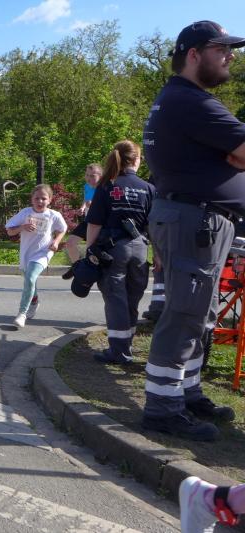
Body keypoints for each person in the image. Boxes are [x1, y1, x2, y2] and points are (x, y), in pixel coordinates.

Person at [141, 20, 245, 442]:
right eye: (222, 49)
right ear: (194, 54)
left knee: (198, 314)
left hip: (197, 218)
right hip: (195, 221)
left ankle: (186, 392)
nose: (231, 56)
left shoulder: (179, 99)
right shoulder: (192, 102)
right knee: (185, 314)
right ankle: (162, 409)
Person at [84, 141, 155, 364]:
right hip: (141, 249)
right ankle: (127, 345)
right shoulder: (148, 188)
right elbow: (155, 226)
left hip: (113, 250)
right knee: (132, 299)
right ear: (136, 160)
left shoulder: (107, 186)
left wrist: (89, 251)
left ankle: (119, 352)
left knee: (116, 300)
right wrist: (159, 255)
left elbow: (94, 223)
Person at [5, 184, 67, 329]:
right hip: (27, 253)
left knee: (31, 278)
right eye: (37, 198)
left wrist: (56, 242)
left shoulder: (54, 215)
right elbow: (10, 231)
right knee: (29, 280)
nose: (40, 201)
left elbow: (62, 229)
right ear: (31, 199)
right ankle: (34, 301)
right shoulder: (25, 213)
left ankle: (22, 314)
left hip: (43, 252)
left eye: (43, 198)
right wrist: (22, 227)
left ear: (50, 200)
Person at [62, 164, 101, 279]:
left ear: (100, 176)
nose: (88, 178)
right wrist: (82, 208)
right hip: (87, 221)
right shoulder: (87, 186)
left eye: (92, 176)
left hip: (99, 224)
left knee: (93, 251)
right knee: (70, 243)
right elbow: (86, 199)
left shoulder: (104, 188)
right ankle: (76, 267)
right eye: (87, 175)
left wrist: (94, 204)